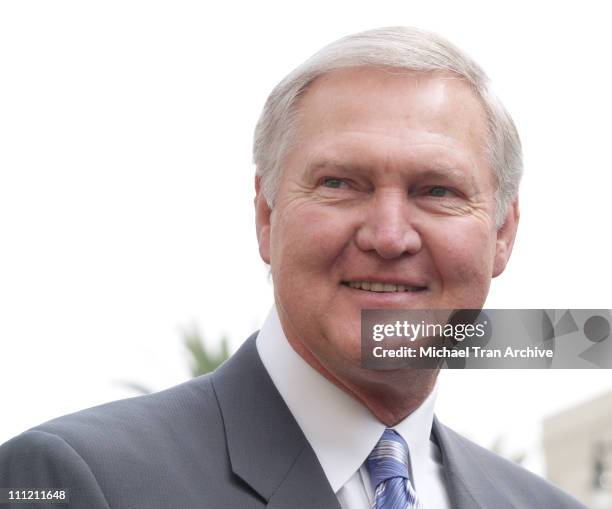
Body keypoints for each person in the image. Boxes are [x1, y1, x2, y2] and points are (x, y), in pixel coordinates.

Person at [0, 26, 585, 508]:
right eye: (339, 184)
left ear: (503, 233)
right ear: (265, 215)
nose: (388, 236)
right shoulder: (79, 480)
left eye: (437, 190)